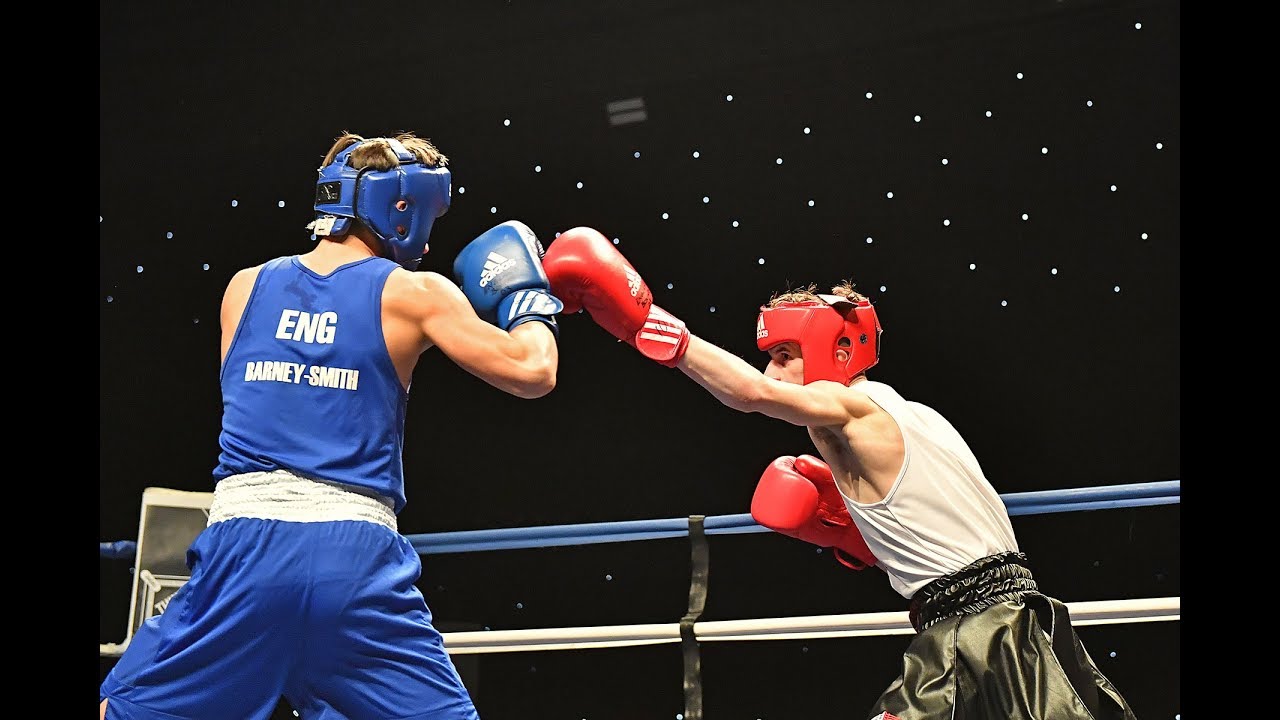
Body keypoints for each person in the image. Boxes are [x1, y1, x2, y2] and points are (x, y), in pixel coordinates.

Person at [540, 226, 1137, 720]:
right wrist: (851, 536)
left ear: (834, 352)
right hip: (1016, 624)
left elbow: (747, 395)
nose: (769, 372)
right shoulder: (916, 415)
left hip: (973, 635)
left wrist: (653, 328)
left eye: (782, 356)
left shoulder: (850, 408)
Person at [99, 132, 563, 720]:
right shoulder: (416, 293)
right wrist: (528, 298)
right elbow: (533, 371)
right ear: (405, 208)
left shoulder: (243, 288)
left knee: (124, 708)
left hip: (242, 553)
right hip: (353, 561)